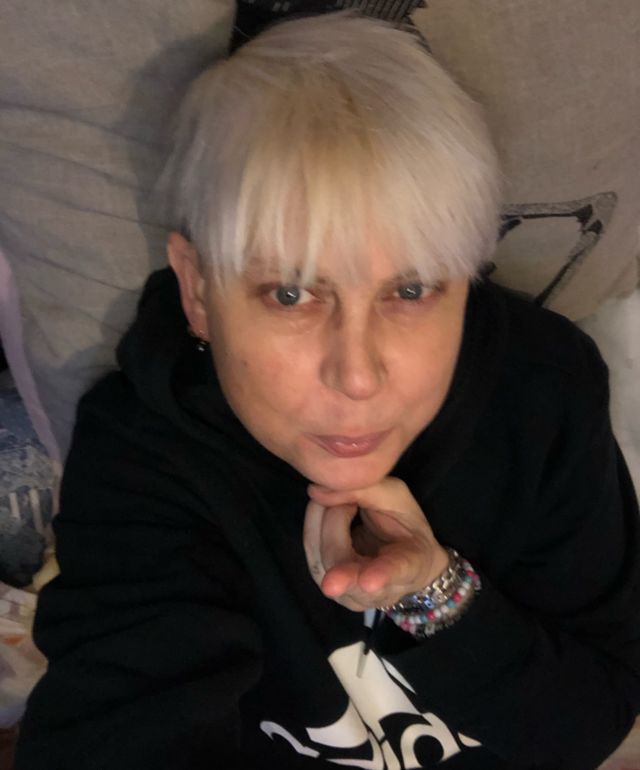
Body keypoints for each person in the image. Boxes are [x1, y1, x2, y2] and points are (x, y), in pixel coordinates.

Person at [15, 11, 640, 770]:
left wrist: (434, 594)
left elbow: (592, 723)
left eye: (410, 289)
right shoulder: (142, 456)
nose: (357, 376)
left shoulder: (544, 398)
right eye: (290, 295)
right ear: (198, 291)